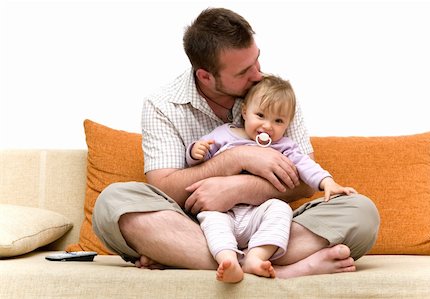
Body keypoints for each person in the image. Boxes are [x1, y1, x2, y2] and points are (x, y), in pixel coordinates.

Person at [92, 7, 380, 278]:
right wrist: (235, 159)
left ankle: (194, 258)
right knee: (112, 204)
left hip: (267, 224)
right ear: (205, 75)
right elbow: (164, 187)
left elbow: (304, 181)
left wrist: (238, 188)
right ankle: (277, 268)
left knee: (361, 213)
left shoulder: (274, 94)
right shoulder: (162, 105)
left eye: (256, 60)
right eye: (243, 72)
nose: (257, 74)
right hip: (196, 224)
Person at [188, 74, 358, 282]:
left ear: (287, 124)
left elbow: (305, 165)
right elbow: (200, 160)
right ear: (244, 112)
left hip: (258, 214)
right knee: (212, 219)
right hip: (223, 211)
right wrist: (195, 151)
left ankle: (256, 257)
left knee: (280, 209)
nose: (268, 126)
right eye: (260, 115)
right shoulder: (225, 134)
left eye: (278, 121)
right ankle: (228, 260)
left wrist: (327, 182)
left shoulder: (284, 146)